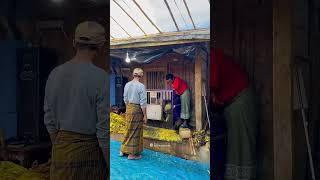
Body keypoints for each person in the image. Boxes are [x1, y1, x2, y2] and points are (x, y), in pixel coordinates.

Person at [44, 21, 109, 180]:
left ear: (74, 43)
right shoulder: (100, 77)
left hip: (60, 152)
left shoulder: (55, 74)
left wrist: (60, 147)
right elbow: (103, 131)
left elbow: (49, 119)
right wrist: (109, 168)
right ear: (100, 46)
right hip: (88, 156)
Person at [210, 48, 258, 180]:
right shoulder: (211, 57)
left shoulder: (212, 56)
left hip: (240, 102)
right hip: (232, 104)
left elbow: (211, 89)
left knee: (241, 148)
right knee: (235, 148)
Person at [120, 68, 147, 160]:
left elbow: (125, 98)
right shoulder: (141, 86)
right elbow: (143, 103)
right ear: (141, 76)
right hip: (136, 110)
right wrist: (145, 115)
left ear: (133, 75)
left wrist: (128, 107)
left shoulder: (127, 84)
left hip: (129, 108)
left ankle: (123, 150)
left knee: (128, 129)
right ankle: (132, 154)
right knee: (135, 132)